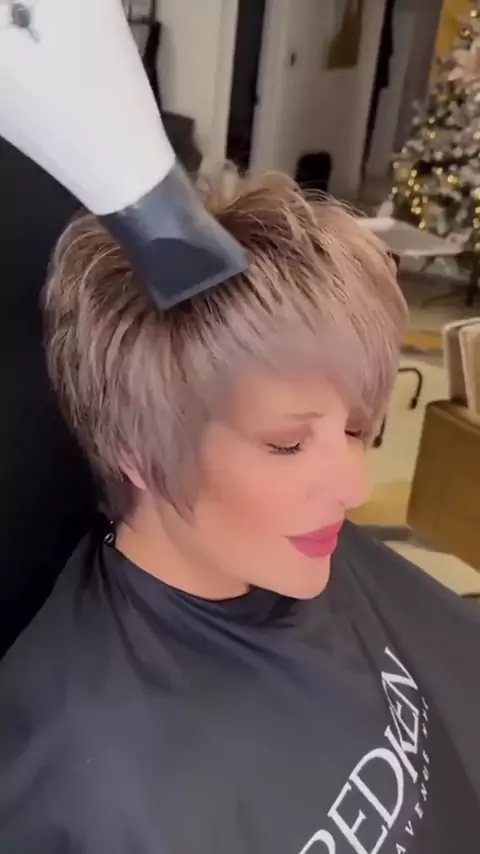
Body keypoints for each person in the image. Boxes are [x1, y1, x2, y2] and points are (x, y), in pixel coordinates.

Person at [0, 171, 479, 853]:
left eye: (354, 430)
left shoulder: (295, 550)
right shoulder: (95, 786)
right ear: (137, 451)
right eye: (286, 444)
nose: (354, 486)